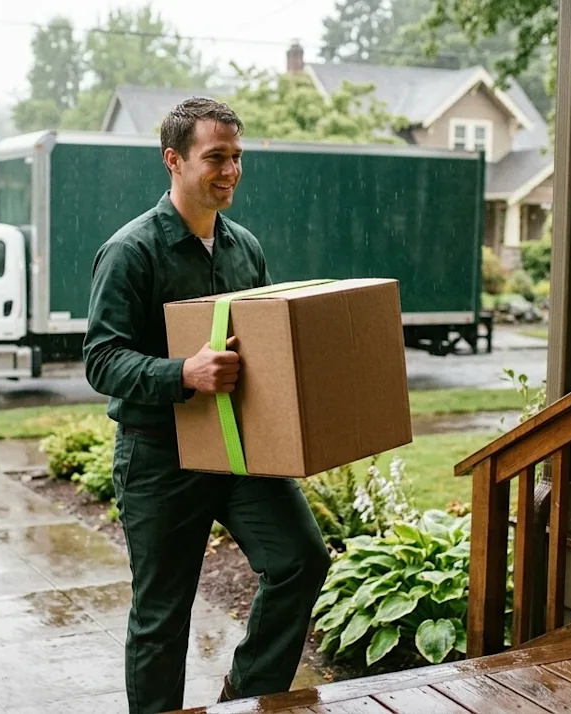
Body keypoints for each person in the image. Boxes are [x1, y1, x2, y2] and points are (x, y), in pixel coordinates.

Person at [83, 97, 331, 714]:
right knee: (162, 618)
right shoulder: (130, 252)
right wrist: (183, 372)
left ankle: (243, 698)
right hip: (160, 459)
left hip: (237, 451)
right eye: (215, 157)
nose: (230, 170)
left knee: (301, 560)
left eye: (237, 157)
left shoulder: (244, 247)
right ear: (174, 159)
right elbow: (101, 359)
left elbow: (262, 350)